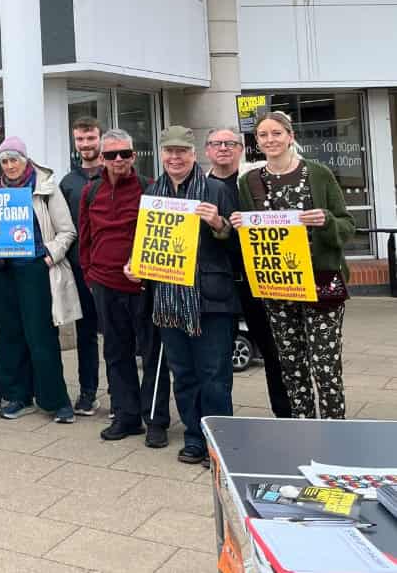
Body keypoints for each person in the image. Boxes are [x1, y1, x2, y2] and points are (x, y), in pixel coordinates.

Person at [231, 111, 355, 419]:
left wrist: (326, 220)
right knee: (291, 365)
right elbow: (251, 236)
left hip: (320, 281)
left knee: (325, 365)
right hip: (278, 284)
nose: (270, 140)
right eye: (263, 135)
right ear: (256, 142)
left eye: (276, 133)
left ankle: (335, 429)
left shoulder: (318, 173)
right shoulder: (250, 182)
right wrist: (235, 225)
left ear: (290, 137)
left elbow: (347, 224)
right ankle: (303, 428)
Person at [143, 127, 238, 465]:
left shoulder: (217, 189)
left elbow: (238, 244)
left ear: (194, 154)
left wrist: (218, 224)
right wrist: (135, 264)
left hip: (210, 299)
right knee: (183, 374)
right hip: (169, 300)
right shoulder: (153, 193)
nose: (175, 157)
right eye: (169, 151)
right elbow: (148, 245)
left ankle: (220, 443)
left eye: (182, 151)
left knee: (213, 375)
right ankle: (194, 438)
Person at [78, 129, 171, 448]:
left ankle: (155, 419)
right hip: (104, 285)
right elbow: (85, 237)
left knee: (152, 354)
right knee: (116, 354)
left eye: (125, 153)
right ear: (101, 158)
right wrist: (90, 275)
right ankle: (126, 416)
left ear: (134, 155)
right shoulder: (90, 192)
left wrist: (148, 273)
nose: (119, 160)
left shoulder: (150, 188)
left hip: (143, 286)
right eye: (111, 155)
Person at [0, 138, 77, 424]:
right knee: (9, 337)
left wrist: (49, 255)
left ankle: (55, 399)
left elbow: (67, 232)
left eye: (14, 160)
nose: (9, 166)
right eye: (5, 161)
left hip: (34, 269)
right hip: (4, 270)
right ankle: (17, 395)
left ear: (25, 159)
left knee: (40, 336)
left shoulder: (45, 188)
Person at [204, 127, 291, 419]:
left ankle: (286, 418)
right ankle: (219, 424)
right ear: (207, 151)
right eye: (217, 144)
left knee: (273, 354)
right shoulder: (198, 188)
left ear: (241, 149)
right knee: (216, 362)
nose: (224, 148)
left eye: (230, 143)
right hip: (218, 285)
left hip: (260, 283)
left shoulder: (257, 181)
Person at [57, 117, 105, 416]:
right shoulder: (68, 182)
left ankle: (121, 394)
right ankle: (88, 393)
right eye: (80, 140)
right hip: (79, 268)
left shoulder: (116, 173)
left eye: (90, 138)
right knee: (86, 334)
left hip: (112, 268)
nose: (85, 145)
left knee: (117, 335)